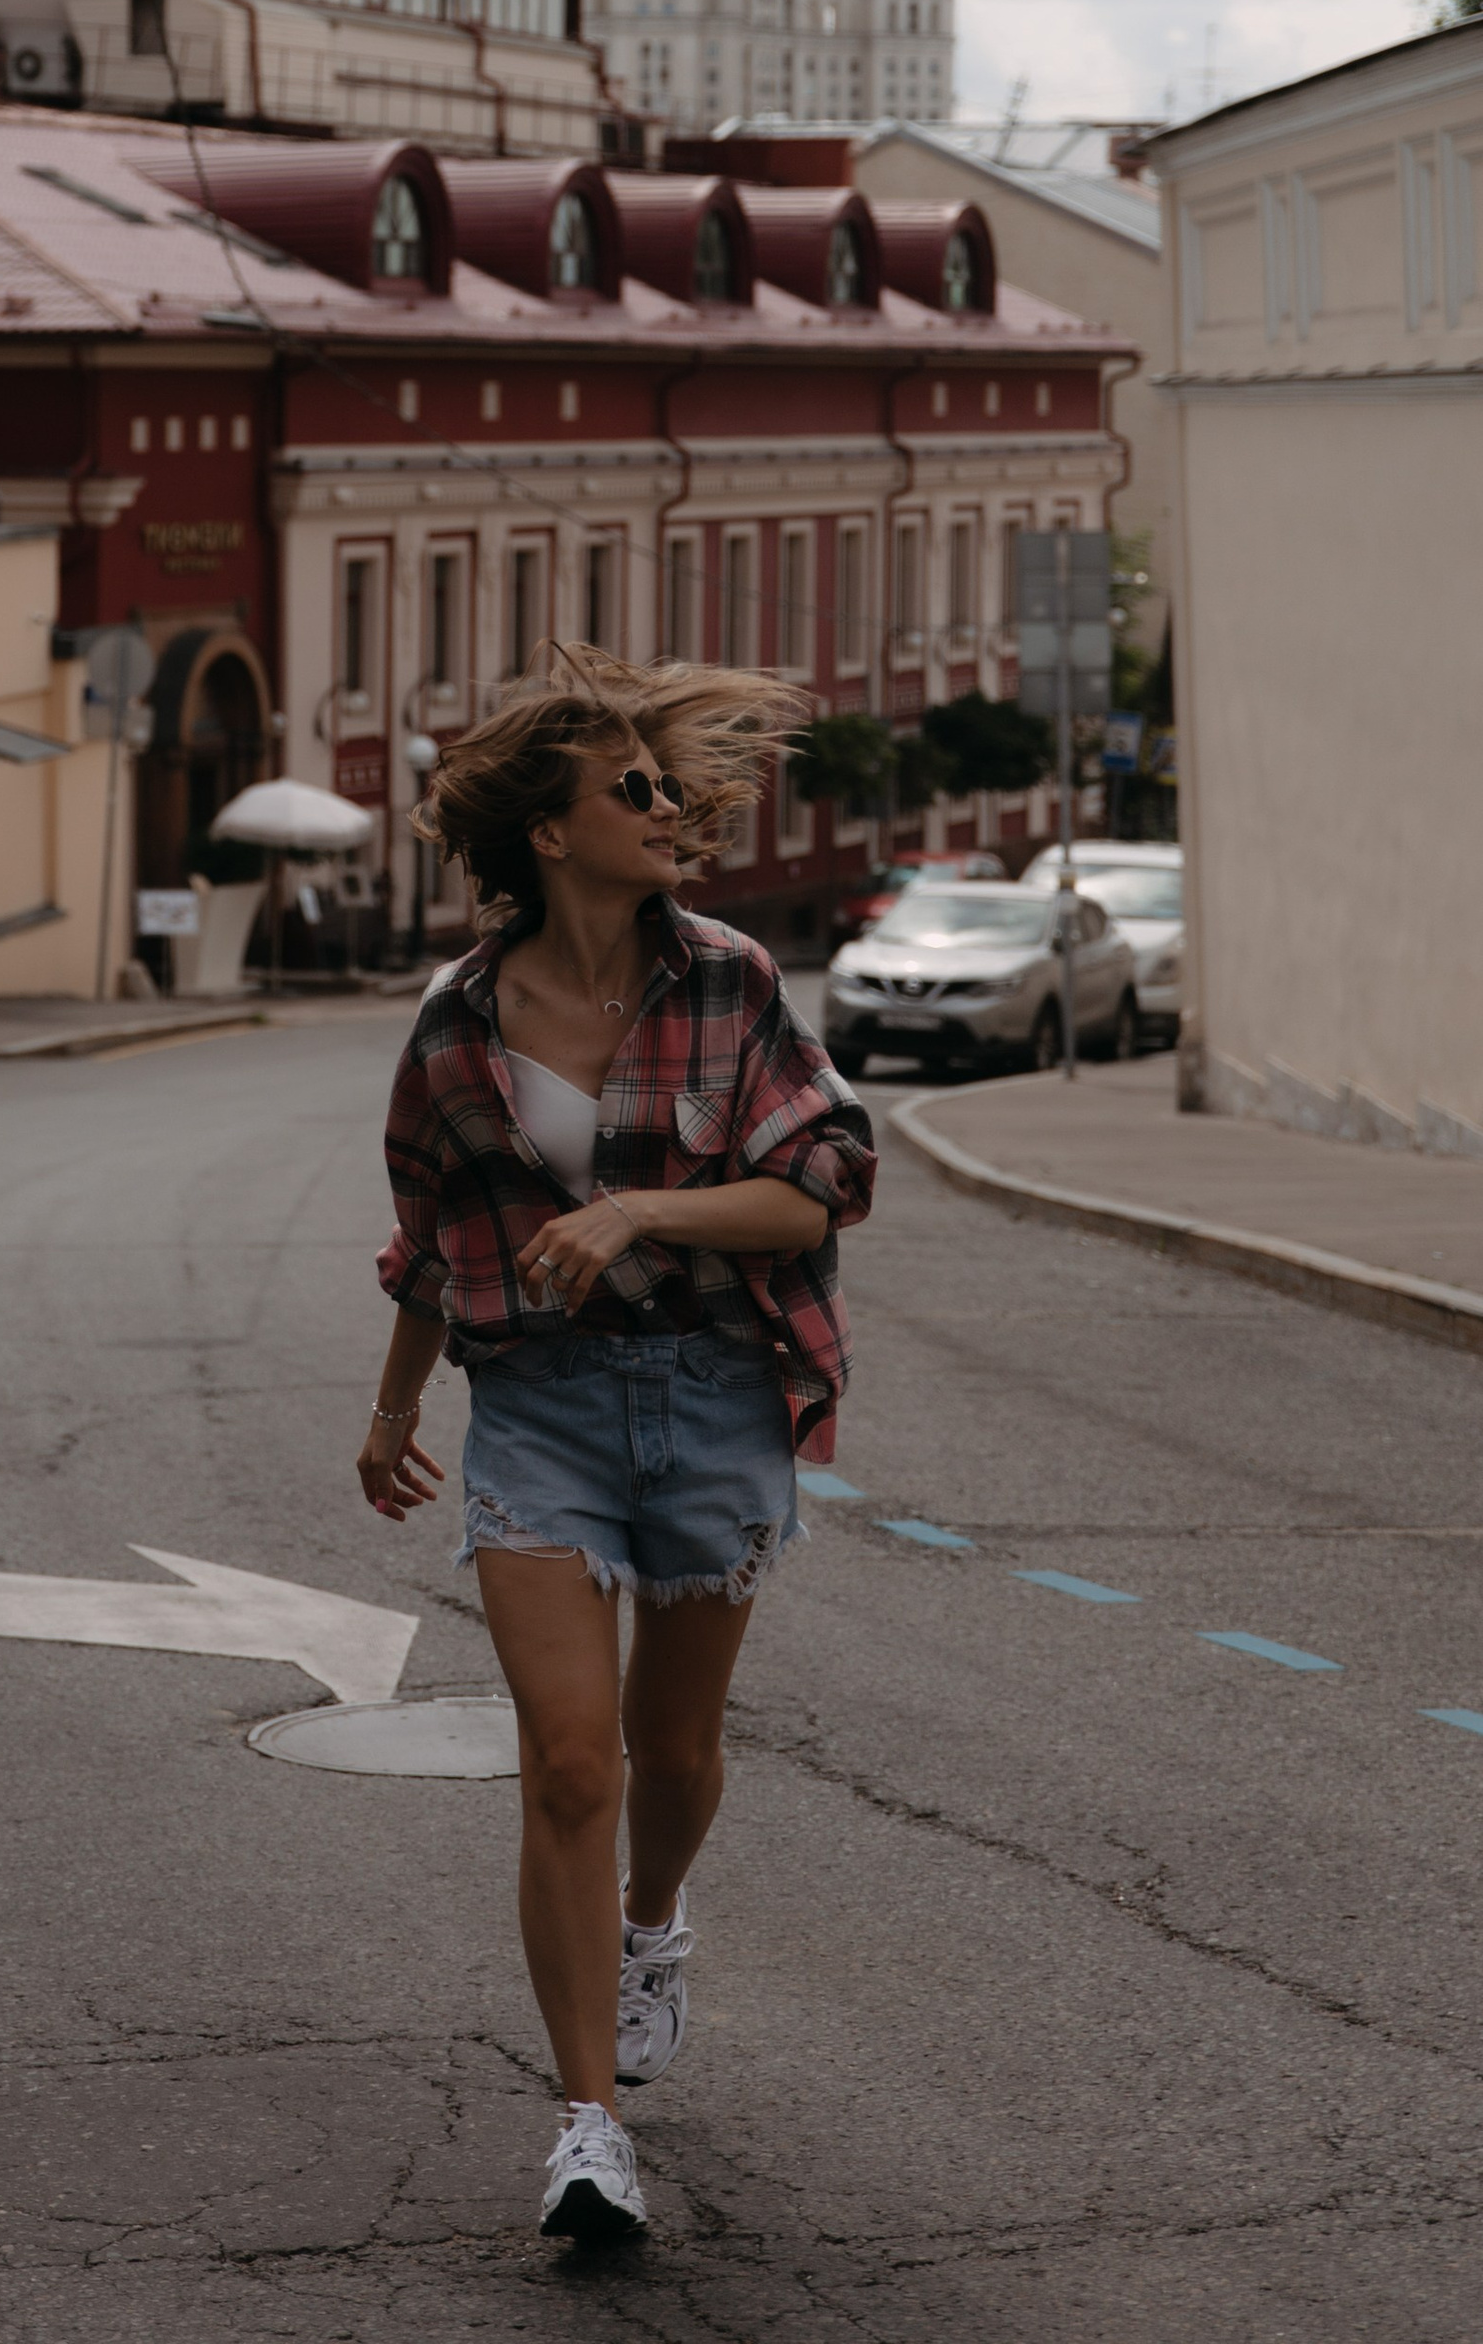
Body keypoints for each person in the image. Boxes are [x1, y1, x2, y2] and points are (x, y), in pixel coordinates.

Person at [359, 649, 873, 2245]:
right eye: (632, 790)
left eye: (669, 785)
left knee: (674, 1752)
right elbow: (434, 1238)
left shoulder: (727, 979)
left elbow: (826, 1183)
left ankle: (654, 1926)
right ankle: (589, 2129)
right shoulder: (454, 1024)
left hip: (717, 1391)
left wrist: (642, 1206)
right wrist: (391, 1411)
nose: (670, 811)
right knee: (570, 1764)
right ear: (552, 834)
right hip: (541, 1411)